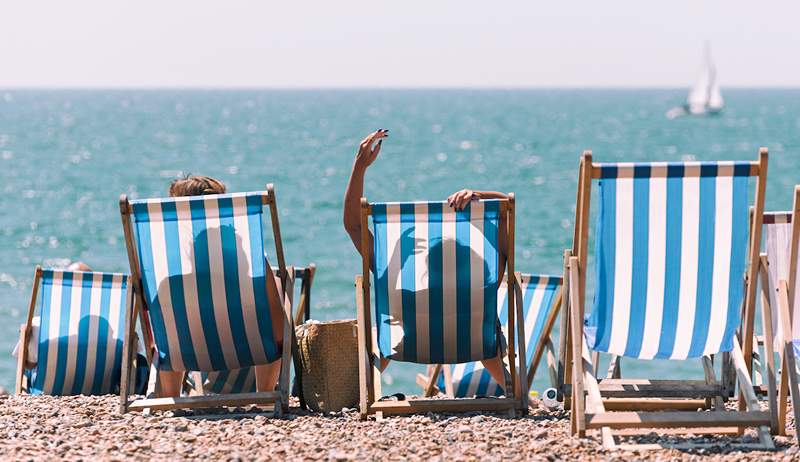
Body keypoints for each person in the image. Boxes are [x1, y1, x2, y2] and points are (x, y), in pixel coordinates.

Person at [343, 129, 512, 389]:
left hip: (411, 348)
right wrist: (476, 195)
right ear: (471, 265)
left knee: (387, 339)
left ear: (426, 268)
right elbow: (506, 211)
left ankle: (362, 392)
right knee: (485, 333)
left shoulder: (404, 296)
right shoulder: (484, 289)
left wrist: (359, 166)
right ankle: (515, 390)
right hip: (477, 346)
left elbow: (354, 225)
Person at [157, 175, 286, 397]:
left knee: (170, 292)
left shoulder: (169, 277)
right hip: (249, 352)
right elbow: (279, 332)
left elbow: (158, 341)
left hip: (186, 355)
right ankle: (265, 395)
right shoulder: (252, 264)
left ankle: (170, 397)